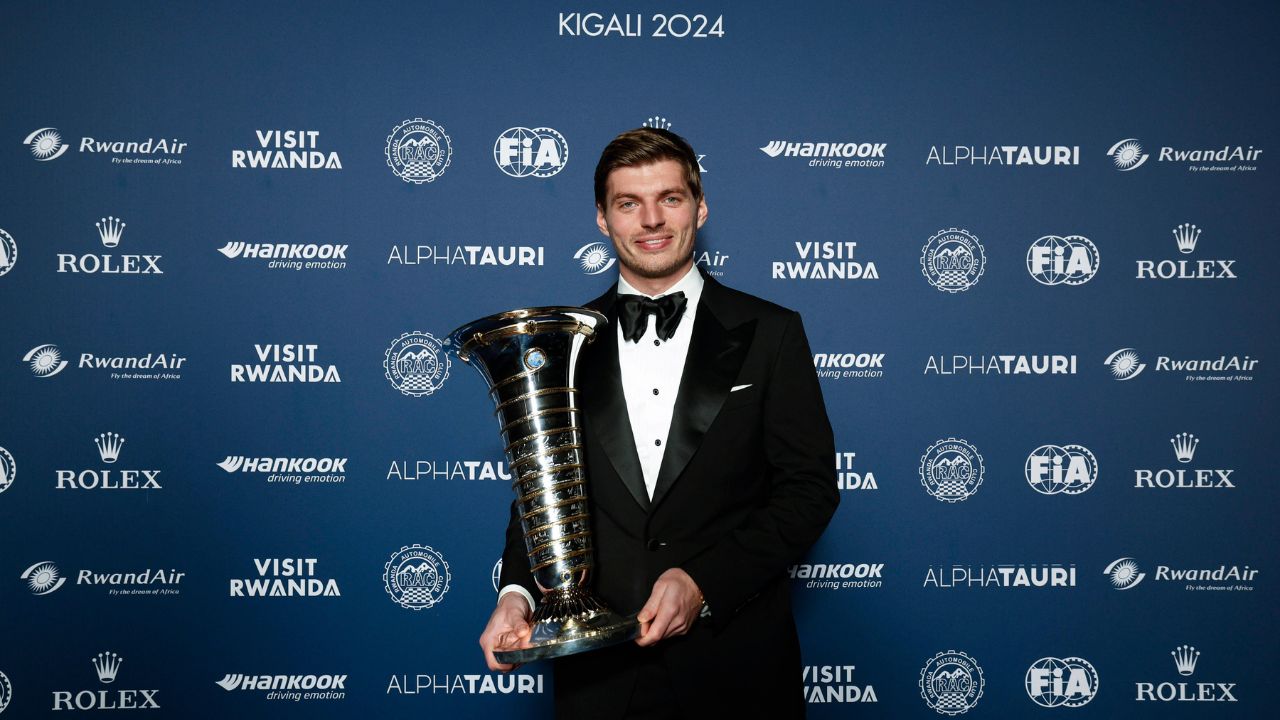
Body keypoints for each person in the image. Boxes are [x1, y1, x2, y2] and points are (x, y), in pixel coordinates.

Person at [480, 127, 839, 718]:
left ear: (700, 207)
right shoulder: (560, 342)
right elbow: (542, 493)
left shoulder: (772, 333)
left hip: (738, 671)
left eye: (669, 198)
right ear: (602, 218)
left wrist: (703, 582)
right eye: (629, 203)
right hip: (601, 679)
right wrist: (518, 596)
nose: (651, 219)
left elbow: (808, 492)